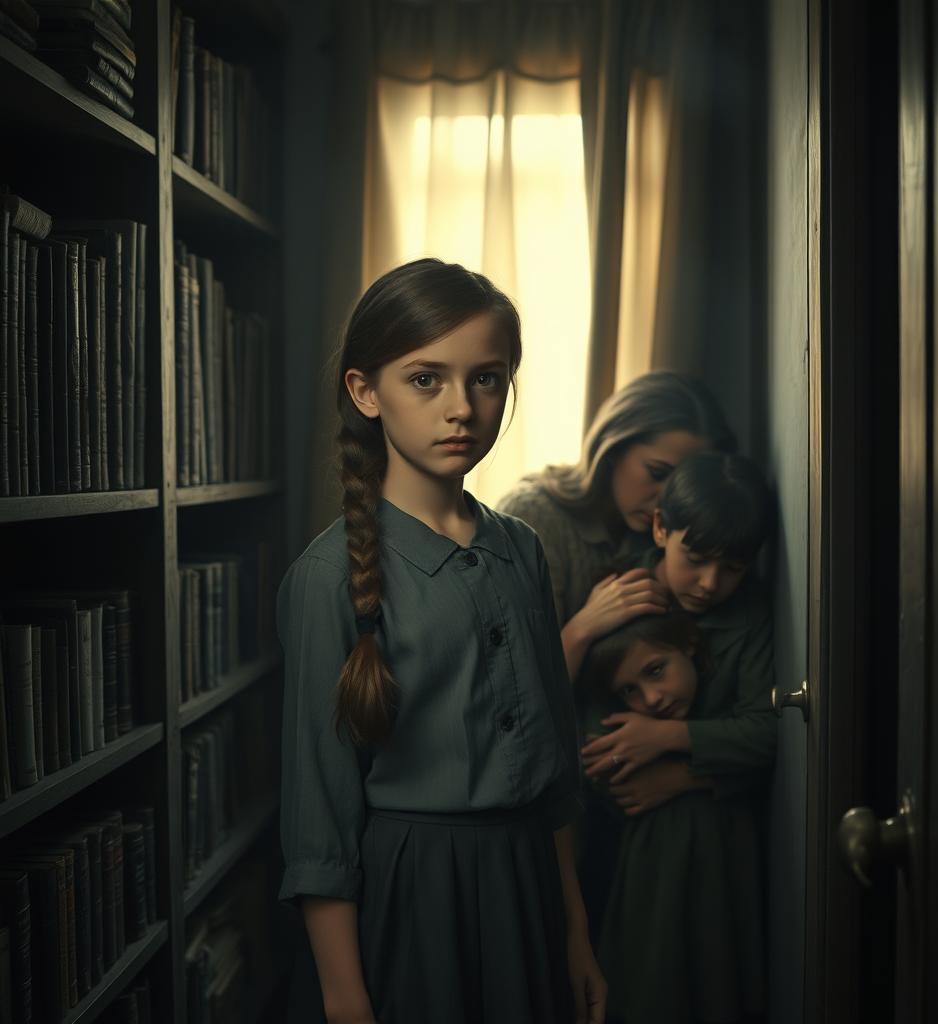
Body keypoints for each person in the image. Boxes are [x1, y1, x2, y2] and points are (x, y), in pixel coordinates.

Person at [276, 258, 606, 1024]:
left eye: (486, 380)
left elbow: (553, 774)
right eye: (426, 380)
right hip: (414, 896)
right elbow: (319, 823)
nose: (461, 407)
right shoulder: (327, 579)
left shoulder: (522, 549)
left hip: (530, 883)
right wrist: (345, 998)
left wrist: (577, 932)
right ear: (366, 392)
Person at [496, 371, 737, 942]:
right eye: (656, 474)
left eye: (680, 482)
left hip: (630, 805)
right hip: (541, 800)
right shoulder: (533, 518)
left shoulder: (670, 536)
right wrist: (583, 628)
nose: (665, 498)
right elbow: (500, 693)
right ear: (612, 446)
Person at [579, 450, 776, 1024]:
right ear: (662, 528)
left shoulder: (752, 614)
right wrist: (701, 761)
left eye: (734, 568)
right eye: (696, 559)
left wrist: (675, 756)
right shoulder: (622, 600)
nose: (712, 584)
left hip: (724, 846)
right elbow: (599, 752)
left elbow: (769, 733)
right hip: (635, 853)